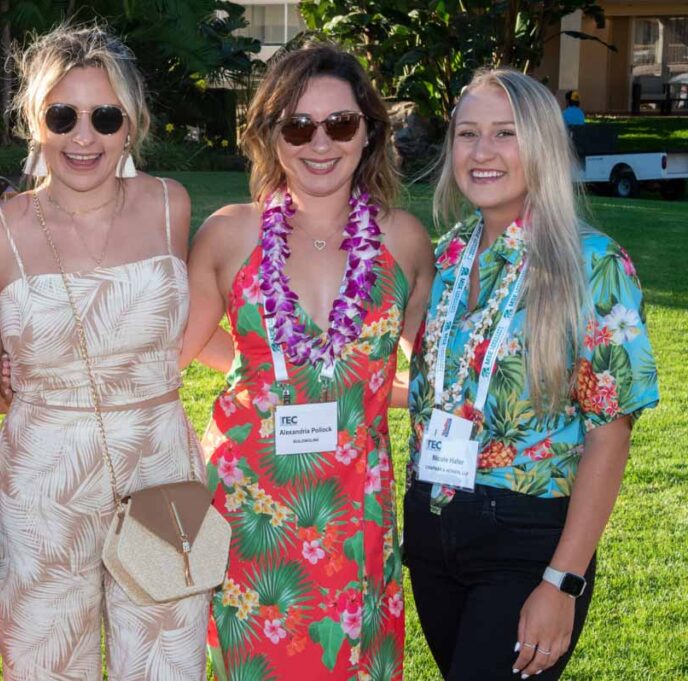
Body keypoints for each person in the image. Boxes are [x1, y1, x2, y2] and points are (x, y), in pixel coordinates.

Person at [180, 44, 434, 679]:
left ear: (369, 131)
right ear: (271, 135)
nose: (320, 143)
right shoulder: (229, 233)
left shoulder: (404, 240)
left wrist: (368, 392)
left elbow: (437, 372)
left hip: (355, 513)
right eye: (298, 126)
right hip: (248, 511)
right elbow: (169, 353)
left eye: (340, 124)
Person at [0, 25, 210, 679]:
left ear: (131, 125)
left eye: (105, 116)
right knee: (47, 668)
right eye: (62, 116)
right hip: (43, 488)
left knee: (166, 666)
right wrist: (5, 381)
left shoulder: (170, 205)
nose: (83, 136)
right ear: (35, 122)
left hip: (161, 473)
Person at [405, 68, 659, 680]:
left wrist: (562, 580)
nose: (482, 152)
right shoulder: (446, 255)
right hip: (433, 526)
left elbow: (609, 435)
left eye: (506, 133)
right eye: (468, 133)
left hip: (524, 539)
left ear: (542, 144)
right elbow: (437, 385)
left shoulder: (593, 264)